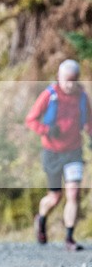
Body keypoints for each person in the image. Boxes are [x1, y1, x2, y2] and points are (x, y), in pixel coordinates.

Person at [25, 59, 90, 251]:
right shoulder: (50, 95)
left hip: (74, 151)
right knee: (55, 197)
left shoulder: (82, 97)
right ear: (59, 78)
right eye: (66, 79)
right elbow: (31, 120)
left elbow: (89, 122)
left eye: (73, 80)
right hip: (52, 152)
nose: (69, 84)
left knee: (73, 192)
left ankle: (69, 238)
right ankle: (41, 218)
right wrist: (46, 130)